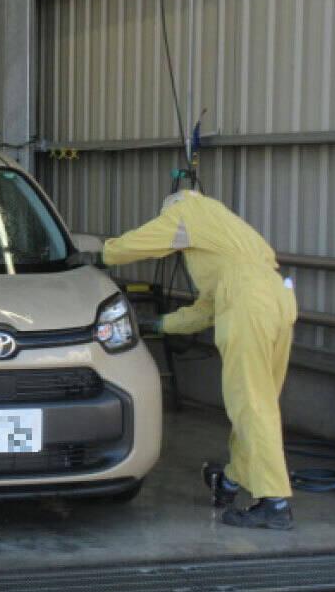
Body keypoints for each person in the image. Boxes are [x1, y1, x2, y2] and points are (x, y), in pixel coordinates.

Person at [103, 189, 297, 530]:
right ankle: (233, 479)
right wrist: (160, 324)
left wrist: (102, 253)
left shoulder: (188, 209)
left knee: (251, 403)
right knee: (257, 402)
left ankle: (275, 503)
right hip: (278, 298)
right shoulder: (228, 234)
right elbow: (208, 307)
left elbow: (142, 241)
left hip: (248, 303)